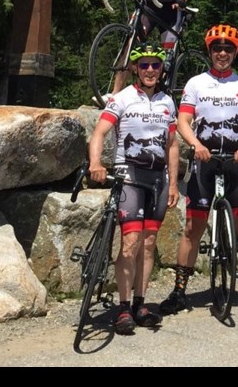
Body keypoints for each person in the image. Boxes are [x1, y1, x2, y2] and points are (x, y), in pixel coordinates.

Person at [159, 24, 238, 313]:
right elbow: (183, 121)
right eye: (217, 48)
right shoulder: (196, 83)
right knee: (192, 227)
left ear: (235, 52)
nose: (222, 53)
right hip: (204, 161)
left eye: (227, 48)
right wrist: (195, 145)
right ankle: (179, 291)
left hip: (236, 161)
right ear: (209, 51)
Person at [87, 41, 180, 334]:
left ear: (161, 68)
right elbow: (99, 133)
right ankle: (123, 307)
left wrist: (174, 182)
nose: (151, 70)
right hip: (129, 178)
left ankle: (141, 303)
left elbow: (173, 144)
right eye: (144, 65)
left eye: (156, 64)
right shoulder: (121, 98)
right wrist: (95, 164)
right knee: (130, 243)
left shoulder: (167, 101)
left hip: (158, 180)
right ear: (135, 69)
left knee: (149, 244)